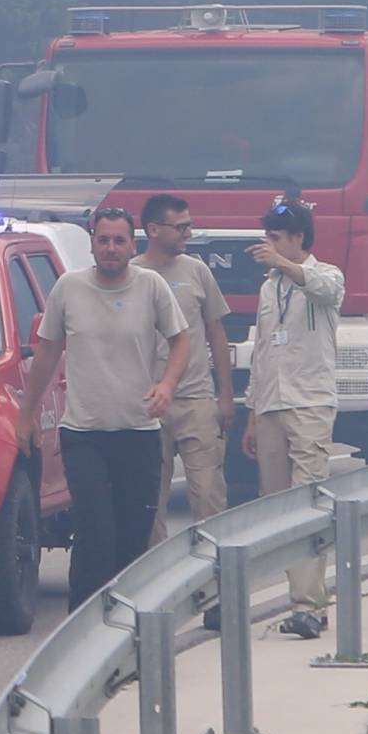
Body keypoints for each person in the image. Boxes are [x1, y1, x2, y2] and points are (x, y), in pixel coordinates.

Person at [17, 206, 190, 608]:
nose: (111, 249)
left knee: (132, 539)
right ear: (92, 244)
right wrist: (26, 414)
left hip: (139, 434)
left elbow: (181, 340)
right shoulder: (68, 288)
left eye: (119, 241)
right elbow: (46, 353)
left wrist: (167, 384)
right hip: (84, 434)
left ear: (133, 245)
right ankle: (83, 629)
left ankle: (128, 632)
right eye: (103, 240)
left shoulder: (151, 287)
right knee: (95, 535)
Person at [243, 196, 345, 640]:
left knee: (309, 500)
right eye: (267, 236)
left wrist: (285, 265)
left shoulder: (324, 275)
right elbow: (264, 349)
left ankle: (309, 606)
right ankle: (301, 601)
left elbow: (324, 291)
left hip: (309, 402)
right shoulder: (269, 287)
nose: (268, 244)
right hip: (270, 403)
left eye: (277, 237)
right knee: (279, 507)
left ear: (298, 238)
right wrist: (251, 411)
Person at [136, 193, 236, 542]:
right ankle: (158, 586)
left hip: (196, 400)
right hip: (148, 404)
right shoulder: (133, 275)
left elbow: (216, 334)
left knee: (209, 495)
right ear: (153, 229)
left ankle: (215, 584)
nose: (188, 233)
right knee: (149, 503)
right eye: (180, 227)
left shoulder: (197, 271)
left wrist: (225, 397)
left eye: (188, 226)